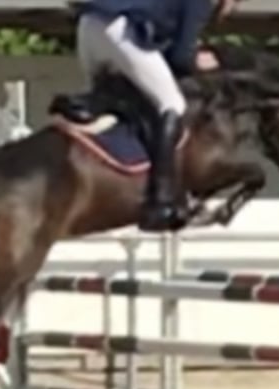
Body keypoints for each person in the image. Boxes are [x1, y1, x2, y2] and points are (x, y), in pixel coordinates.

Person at [74, 0, 241, 232]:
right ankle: (161, 201)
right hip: (118, 32)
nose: (233, 8)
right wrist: (199, 61)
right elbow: (180, 58)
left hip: (88, 27)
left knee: (120, 96)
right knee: (173, 104)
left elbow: (163, 50)